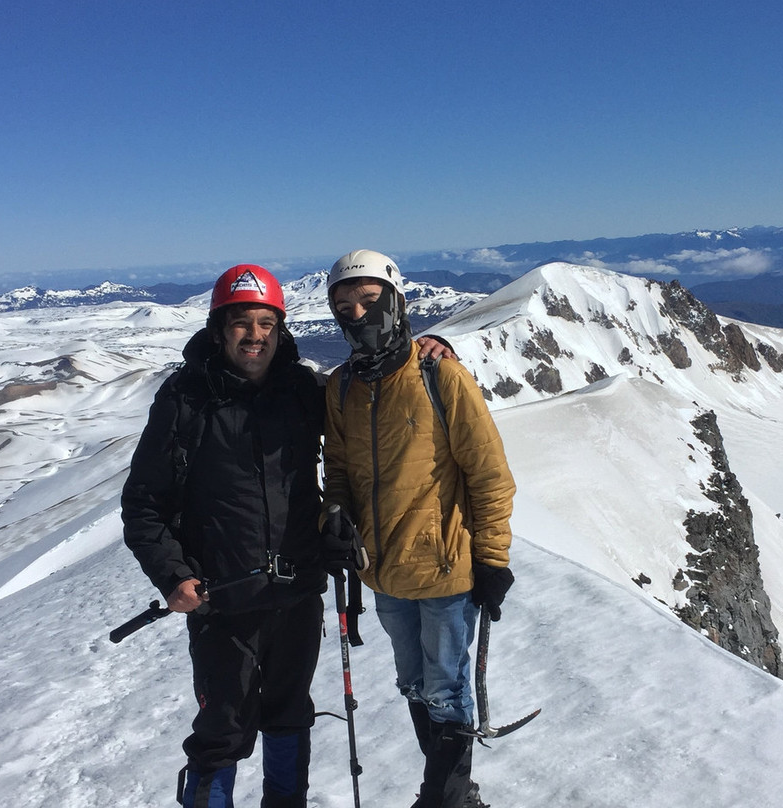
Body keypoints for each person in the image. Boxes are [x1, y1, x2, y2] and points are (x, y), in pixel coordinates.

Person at [121, 263, 452, 807]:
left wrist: (425, 348)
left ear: (281, 328)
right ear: (218, 328)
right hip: (222, 601)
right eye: (242, 324)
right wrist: (173, 576)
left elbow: (371, 403)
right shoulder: (185, 399)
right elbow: (144, 503)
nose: (255, 336)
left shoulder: (301, 389)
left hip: (298, 593)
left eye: (266, 324)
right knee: (222, 731)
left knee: (288, 716)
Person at [319, 250, 517, 808]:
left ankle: (444, 799)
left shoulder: (440, 375)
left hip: (447, 570)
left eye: (368, 300)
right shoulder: (341, 389)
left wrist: (493, 559)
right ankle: (454, 791)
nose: (357, 313)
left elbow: (490, 476)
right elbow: (337, 474)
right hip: (383, 575)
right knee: (415, 685)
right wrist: (331, 517)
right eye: (344, 305)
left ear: (395, 299)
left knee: (447, 691)